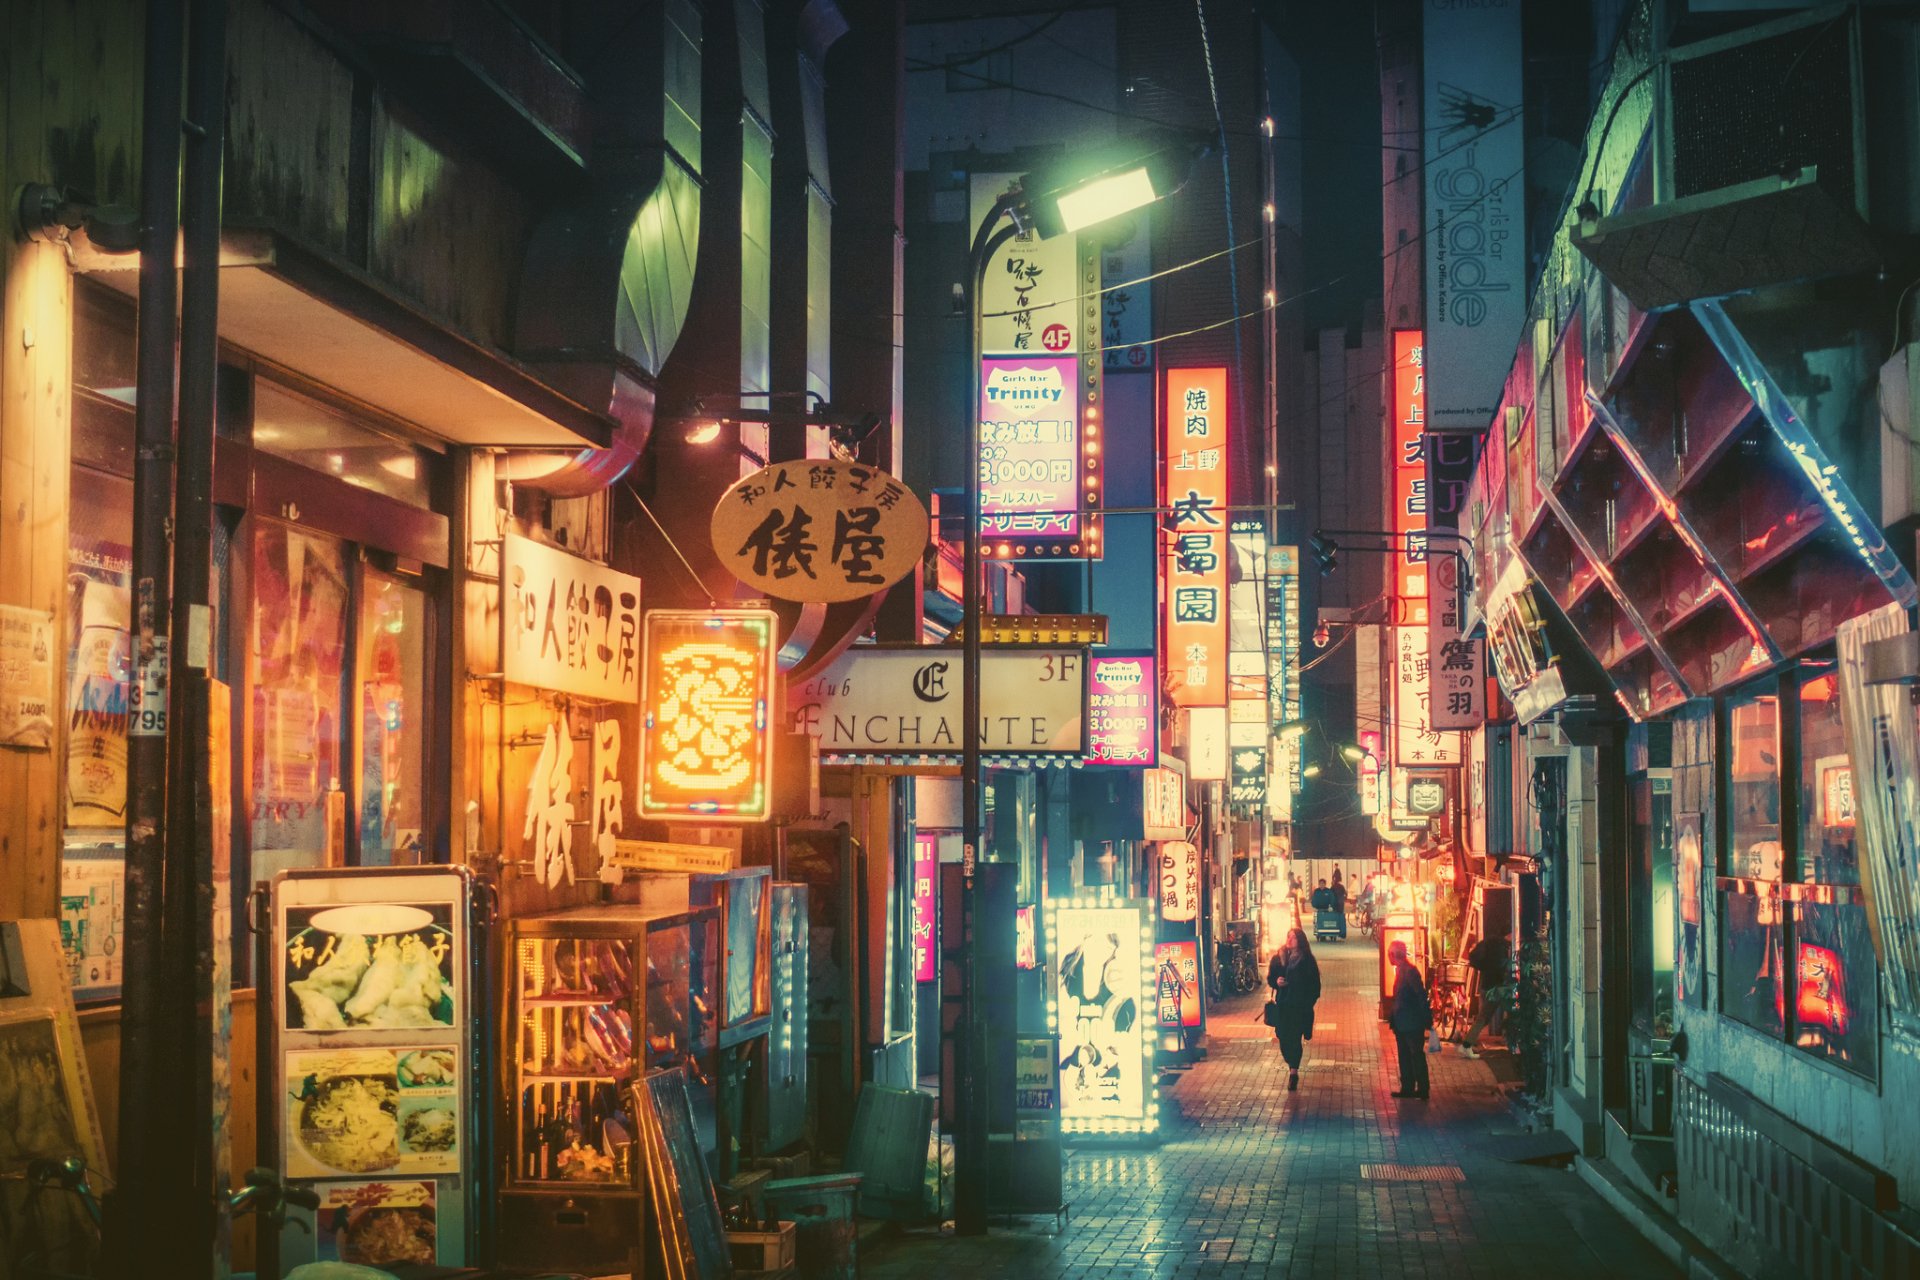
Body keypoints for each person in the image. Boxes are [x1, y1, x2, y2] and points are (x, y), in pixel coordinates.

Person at [1266, 928, 1322, 1092]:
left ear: (1301, 940)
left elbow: (1315, 987)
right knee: (1283, 1039)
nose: (1290, 940)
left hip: (1298, 1007)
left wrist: (1307, 1003)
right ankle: (1291, 1063)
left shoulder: (1307, 960)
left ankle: (1293, 1072)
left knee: (1295, 1039)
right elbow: (1270, 979)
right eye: (1288, 936)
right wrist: (1277, 981)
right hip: (1283, 1006)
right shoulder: (1279, 958)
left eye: (1294, 937)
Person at [1454, 929, 1513, 1057]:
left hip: (1486, 984)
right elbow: (1500, 967)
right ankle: (1466, 1045)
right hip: (1496, 986)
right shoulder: (1500, 947)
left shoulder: (1489, 942)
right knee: (1485, 1017)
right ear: (1509, 934)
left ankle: (1468, 1045)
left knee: (1486, 1017)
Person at [1387, 940, 1432, 1099]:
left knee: (1415, 1054)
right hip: (1402, 1022)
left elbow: (1420, 994)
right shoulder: (1402, 970)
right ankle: (1408, 1087)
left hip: (1411, 1022)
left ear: (1393, 955)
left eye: (1389, 954)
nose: (1388, 957)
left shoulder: (1409, 971)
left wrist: (1426, 1018)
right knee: (1405, 1054)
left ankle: (1422, 1087)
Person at [1329, 871, 1349, 939]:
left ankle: (1333, 932)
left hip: (1335, 904)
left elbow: (1330, 895)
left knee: (1334, 917)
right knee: (1341, 917)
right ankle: (1342, 933)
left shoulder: (1333, 887)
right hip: (1341, 903)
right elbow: (1345, 894)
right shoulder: (1341, 886)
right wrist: (1344, 898)